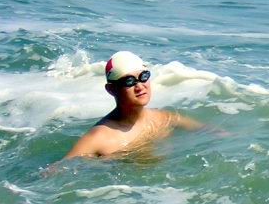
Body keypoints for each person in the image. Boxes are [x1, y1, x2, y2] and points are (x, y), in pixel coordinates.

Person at [61, 51, 204, 159]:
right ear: (111, 89)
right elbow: (57, 171)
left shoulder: (164, 119)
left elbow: (209, 132)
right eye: (129, 81)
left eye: (143, 77)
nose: (140, 86)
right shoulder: (98, 138)